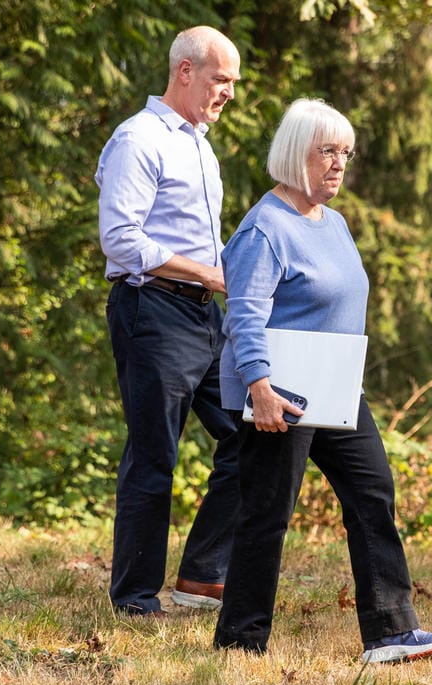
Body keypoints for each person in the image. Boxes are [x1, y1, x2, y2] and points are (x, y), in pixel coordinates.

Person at [211, 98, 432, 664]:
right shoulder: (264, 228)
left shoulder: (335, 222)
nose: (340, 163)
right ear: (297, 153)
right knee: (267, 513)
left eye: (346, 152)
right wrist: (259, 387)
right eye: (328, 151)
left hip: (337, 392)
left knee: (372, 493)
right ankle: (240, 643)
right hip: (277, 393)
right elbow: (243, 314)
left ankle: (391, 631)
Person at [96, 25, 242, 617]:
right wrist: (208, 275)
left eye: (233, 82)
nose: (229, 92)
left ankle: (204, 574)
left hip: (207, 316)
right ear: (185, 71)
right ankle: (134, 597)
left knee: (249, 434)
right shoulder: (139, 139)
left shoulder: (199, 144)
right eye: (221, 79)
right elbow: (120, 239)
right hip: (152, 307)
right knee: (156, 454)